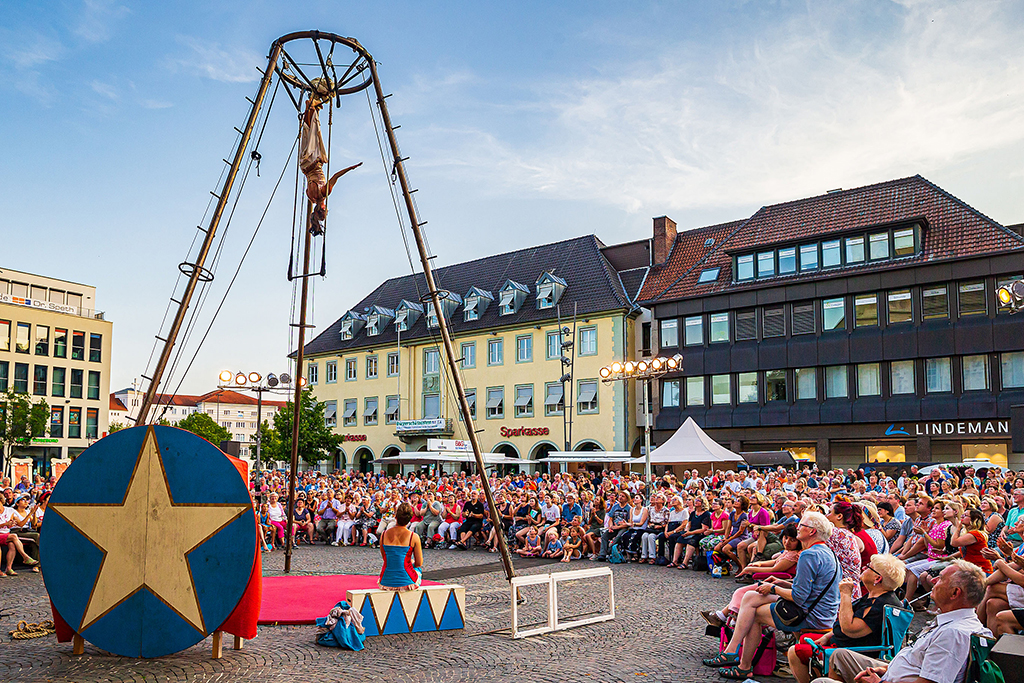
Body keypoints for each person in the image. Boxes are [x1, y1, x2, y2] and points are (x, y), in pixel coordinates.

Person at [703, 511, 841, 680]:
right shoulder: (828, 552)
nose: (797, 528)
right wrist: (783, 583)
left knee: (754, 614)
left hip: (811, 615)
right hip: (822, 611)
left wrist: (773, 589)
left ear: (812, 531)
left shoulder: (809, 554)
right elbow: (811, 589)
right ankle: (732, 652)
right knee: (750, 598)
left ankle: (742, 664)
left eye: (802, 525)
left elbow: (799, 597)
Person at [811, 560, 990, 683]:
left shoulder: (953, 633)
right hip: (893, 671)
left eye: (941, 578)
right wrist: (887, 669)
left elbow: (930, 681)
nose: (934, 580)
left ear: (955, 593)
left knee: (821, 681)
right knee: (840, 656)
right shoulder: (958, 623)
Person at [787, 554, 905, 683]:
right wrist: (828, 636)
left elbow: (849, 628)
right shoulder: (876, 596)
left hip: (853, 652)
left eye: (868, 568)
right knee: (804, 639)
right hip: (845, 644)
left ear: (877, 578)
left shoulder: (879, 605)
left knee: (794, 651)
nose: (863, 568)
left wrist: (845, 594)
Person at [299, 80, 362, 233]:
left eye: (325, 209)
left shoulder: (323, 193)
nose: (326, 206)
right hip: (304, 165)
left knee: (314, 133)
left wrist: (351, 168)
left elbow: (335, 176)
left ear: (321, 208)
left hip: (314, 161)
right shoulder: (311, 197)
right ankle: (310, 107)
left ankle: (311, 106)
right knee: (308, 133)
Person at [377, 503, 423, 592]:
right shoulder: (414, 536)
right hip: (407, 580)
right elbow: (419, 563)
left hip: (386, 580)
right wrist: (411, 562)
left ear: (395, 516)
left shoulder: (384, 534)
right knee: (418, 569)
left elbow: (385, 558)